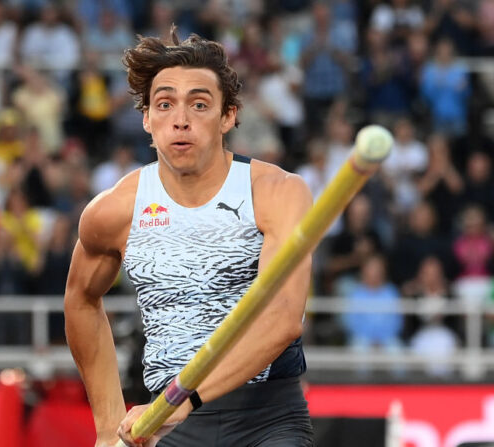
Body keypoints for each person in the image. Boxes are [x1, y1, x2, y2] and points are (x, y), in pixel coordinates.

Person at [64, 29, 314, 447]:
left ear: (228, 116)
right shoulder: (114, 210)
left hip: (266, 421)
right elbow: (80, 300)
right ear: (146, 118)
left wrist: (188, 396)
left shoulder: (276, 192)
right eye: (164, 105)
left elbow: (283, 319)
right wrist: (108, 426)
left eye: (199, 105)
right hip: (167, 427)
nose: (181, 119)